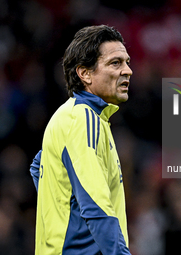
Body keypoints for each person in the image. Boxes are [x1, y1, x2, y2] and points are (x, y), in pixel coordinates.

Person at [29, 25, 133, 255]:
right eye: (115, 63)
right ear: (85, 73)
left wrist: (64, 213)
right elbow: (97, 208)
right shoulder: (83, 120)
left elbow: (40, 168)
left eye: (127, 62)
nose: (128, 71)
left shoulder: (79, 116)